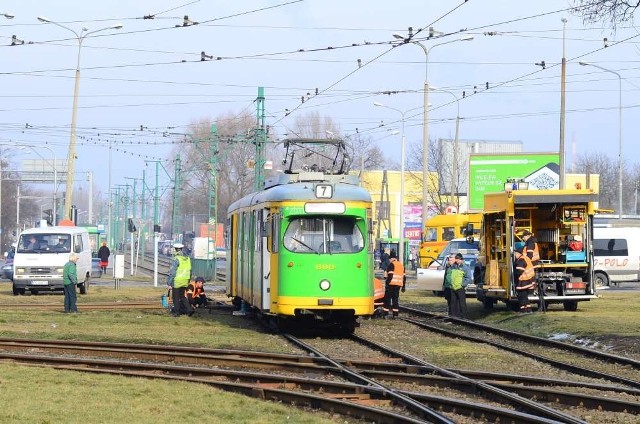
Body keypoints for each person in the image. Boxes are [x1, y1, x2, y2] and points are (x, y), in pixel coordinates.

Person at [167, 242, 192, 317]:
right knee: (182, 296)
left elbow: (172, 272)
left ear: (176, 250)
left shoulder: (176, 259)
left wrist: (169, 283)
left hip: (177, 281)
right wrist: (188, 280)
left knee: (175, 297)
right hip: (185, 280)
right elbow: (190, 271)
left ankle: (177, 313)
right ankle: (189, 309)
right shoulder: (187, 259)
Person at [382, 251, 406, 319]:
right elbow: (404, 277)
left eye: (389, 259)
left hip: (391, 285)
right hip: (398, 285)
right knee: (395, 300)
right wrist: (403, 286)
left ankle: (385, 314)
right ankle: (395, 315)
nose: (389, 260)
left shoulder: (391, 265)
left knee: (387, 300)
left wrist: (387, 283)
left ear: (391, 258)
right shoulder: (401, 265)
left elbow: (390, 275)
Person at [514, 248, 536, 313]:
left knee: (522, 295)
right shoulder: (526, 258)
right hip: (529, 280)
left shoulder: (521, 260)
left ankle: (524, 310)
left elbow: (519, 270)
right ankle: (527, 309)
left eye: (515, 254)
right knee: (524, 296)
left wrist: (515, 276)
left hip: (524, 281)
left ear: (518, 254)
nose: (515, 255)